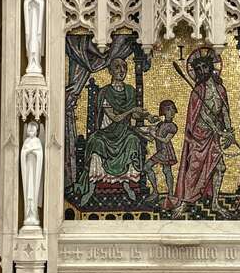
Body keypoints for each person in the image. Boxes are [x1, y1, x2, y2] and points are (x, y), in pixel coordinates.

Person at [75, 57, 153, 205]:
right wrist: (131, 110)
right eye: (117, 67)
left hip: (124, 133)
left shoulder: (130, 91)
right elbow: (115, 118)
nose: (121, 71)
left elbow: (134, 115)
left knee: (133, 140)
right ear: (110, 71)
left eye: (124, 67)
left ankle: (127, 185)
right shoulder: (105, 92)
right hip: (107, 134)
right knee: (96, 143)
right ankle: (91, 188)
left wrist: (147, 115)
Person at [173, 51, 236, 219]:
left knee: (220, 167)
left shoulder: (221, 89)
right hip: (199, 135)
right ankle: (185, 202)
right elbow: (202, 115)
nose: (201, 71)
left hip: (214, 136)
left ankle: (215, 202)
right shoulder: (197, 91)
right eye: (198, 68)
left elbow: (224, 111)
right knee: (193, 169)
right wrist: (218, 130)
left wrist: (229, 131)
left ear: (210, 68)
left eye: (204, 67)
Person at [142, 99, 178, 204]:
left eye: (172, 110)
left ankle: (170, 194)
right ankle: (156, 192)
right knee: (149, 168)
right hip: (161, 151)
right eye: (168, 110)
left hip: (166, 152)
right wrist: (145, 132)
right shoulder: (161, 124)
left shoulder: (172, 126)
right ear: (164, 111)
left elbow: (166, 140)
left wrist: (154, 135)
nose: (171, 112)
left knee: (166, 171)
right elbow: (152, 135)